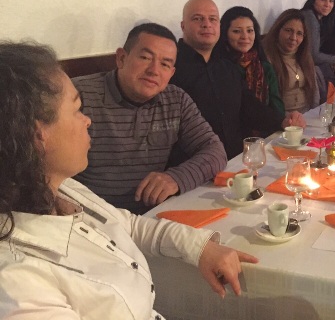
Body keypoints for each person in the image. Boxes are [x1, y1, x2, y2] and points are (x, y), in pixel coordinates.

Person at [0, 41, 259, 318]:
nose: (87, 121)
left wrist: (200, 247)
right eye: (77, 109)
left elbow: (127, 224)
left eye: (166, 63)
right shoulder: (17, 283)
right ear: (37, 134)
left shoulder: (63, 189)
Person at [73, 23, 227, 214]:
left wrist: (176, 178)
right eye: (145, 58)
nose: (154, 70)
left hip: (152, 216)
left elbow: (215, 151)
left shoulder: (176, 100)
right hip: (90, 219)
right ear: (121, 58)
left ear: (171, 73)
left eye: (165, 64)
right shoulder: (78, 97)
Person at [171, 0, 305, 159]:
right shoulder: (170, 67)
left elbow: (249, 107)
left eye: (212, 19)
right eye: (197, 19)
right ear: (183, 25)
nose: (206, 24)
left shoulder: (227, 67)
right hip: (193, 164)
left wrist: (283, 121)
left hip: (236, 160)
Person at [214, 6, 284, 115]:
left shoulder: (265, 67)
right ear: (225, 34)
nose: (245, 36)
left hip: (266, 123)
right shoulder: (219, 67)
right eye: (237, 31)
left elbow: (277, 108)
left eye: (250, 30)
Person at [262, 9, 324, 113]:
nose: (293, 38)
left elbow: (314, 92)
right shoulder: (267, 58)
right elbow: (268, 103)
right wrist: (286, 118)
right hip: (282, 118)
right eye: (288, 30)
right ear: (278, 30)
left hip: (306, 115)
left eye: (299, 33)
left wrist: (314, 113)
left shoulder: (304, 56)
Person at [301, 0, 335, 82]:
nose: (327, 4)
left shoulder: (321, 20)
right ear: (313, 0)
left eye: (331, 1)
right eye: (323, 0)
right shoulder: (310, 17)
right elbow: (313, 56)